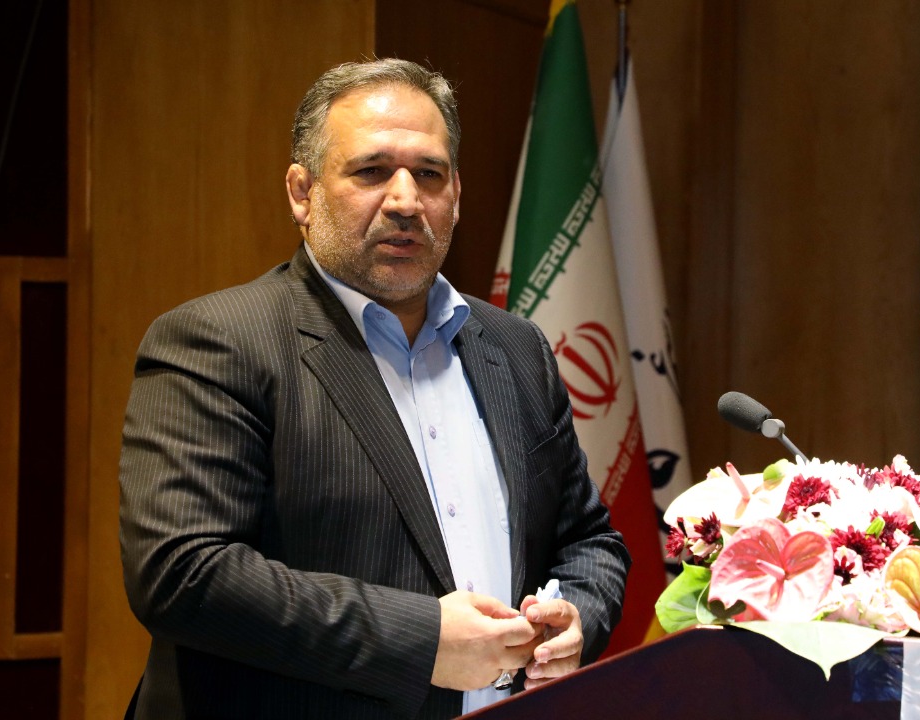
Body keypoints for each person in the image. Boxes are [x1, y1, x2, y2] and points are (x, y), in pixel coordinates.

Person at [118, 59, 630, 720]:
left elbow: (589, 539)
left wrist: (578, 618)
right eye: (371, 171)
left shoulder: (516, 348)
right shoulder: (219, 341)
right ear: (302, 193)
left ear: (456, 194)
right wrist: (423, 641)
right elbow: (182, 573)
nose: (405, 201)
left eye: (429, 174)